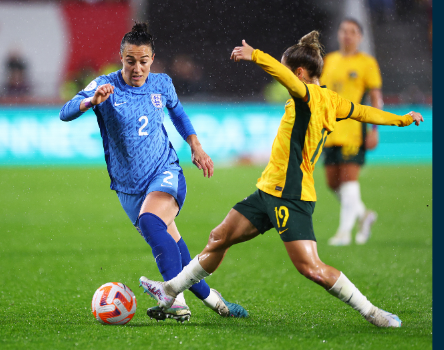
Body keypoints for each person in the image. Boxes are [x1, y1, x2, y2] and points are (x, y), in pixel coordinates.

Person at [140, 32, 423, 328]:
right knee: (218, 237)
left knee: (311, 268)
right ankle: (170, 290)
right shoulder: (332, 100)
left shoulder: (309, 96)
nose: (284, 78)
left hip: (290, 195)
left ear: (299, 74)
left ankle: (373, 313)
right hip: (267, 192)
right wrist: (402, 119)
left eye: (288, 71)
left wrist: (257, 56)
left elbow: (290, 81)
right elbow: (364, 112)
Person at [58, 23, 247, 323]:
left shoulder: (162, 83)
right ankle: (217, 303)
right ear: (120, 57)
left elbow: (179, 113)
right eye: (130, 61)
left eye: (143, 61)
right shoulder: (105, 86)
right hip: (128, 188)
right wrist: (90, 101)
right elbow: (65, 111)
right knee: (177, 252)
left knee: (151, 220)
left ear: (152, 59)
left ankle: (174, 301)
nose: (137, 68)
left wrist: (195, 145)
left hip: (165, 172)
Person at [321, 18, 384, 246]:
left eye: (352, 32)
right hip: (330, 130)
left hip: (354, 129)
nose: (347, 35)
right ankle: (364, 214)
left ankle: (344, 233)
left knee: (348, 181)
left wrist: (375, 128)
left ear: (360, 37)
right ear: (339, 34)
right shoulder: (329, 61)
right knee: (332, 182)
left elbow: (376, 98)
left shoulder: (367, 63)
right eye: (344, 30)